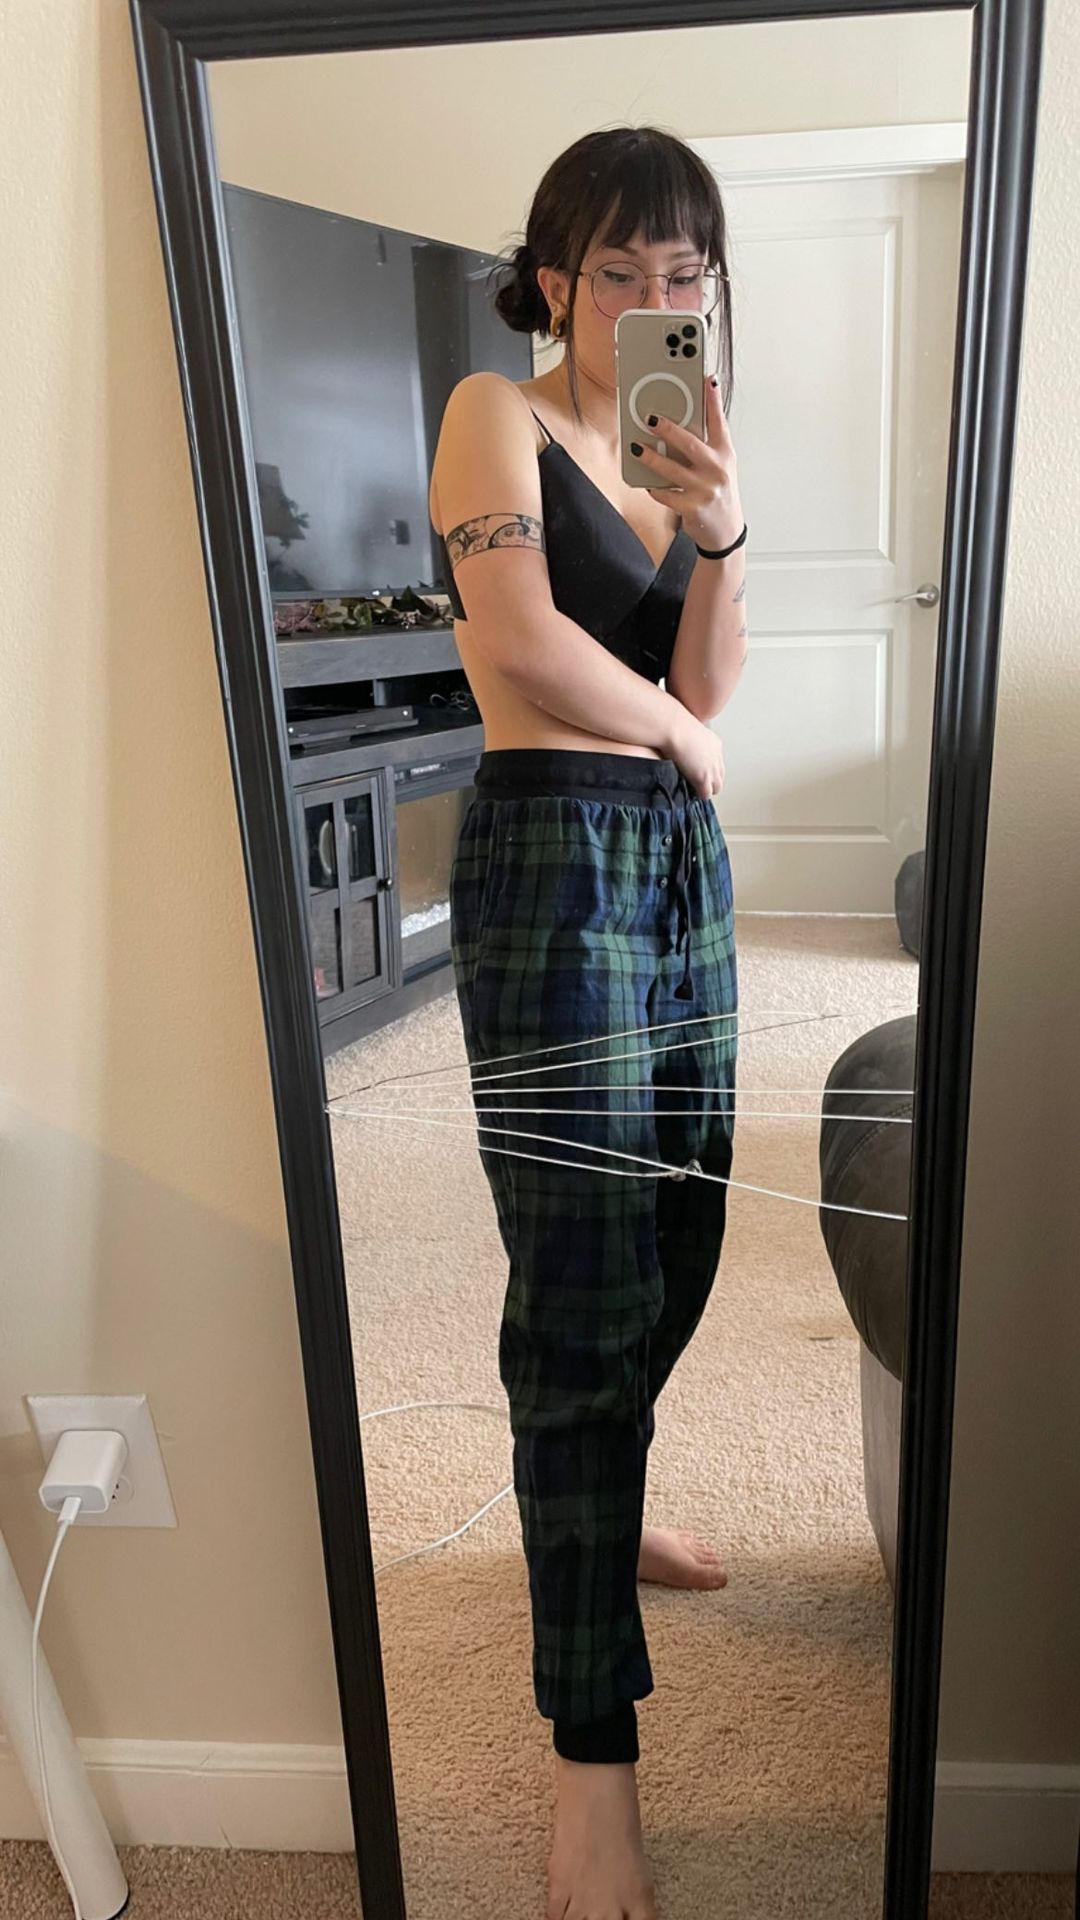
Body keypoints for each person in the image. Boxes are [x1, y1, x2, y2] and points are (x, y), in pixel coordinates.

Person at [429, 125, 748, 1920]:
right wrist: (686, 742)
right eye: (616, 269)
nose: (649, 300)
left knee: (682, 1229)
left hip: (681, 870)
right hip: (555, 850)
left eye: (681, 271)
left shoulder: (690, 447)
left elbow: (710, 674)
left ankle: (601, 1507)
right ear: (555, 279)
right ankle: (589, 1755)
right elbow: (523, 641)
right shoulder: (497, 414)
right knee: (577, 1279)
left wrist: (723, 528)